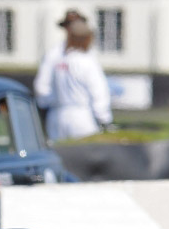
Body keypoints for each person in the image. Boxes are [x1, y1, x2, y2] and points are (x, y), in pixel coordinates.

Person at [34, 11, 112, 141]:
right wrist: (105, 119)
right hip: (81, 116)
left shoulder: (60, 60)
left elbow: (42, 89)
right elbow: (99, 92)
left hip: (57, 115)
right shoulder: (85, 60)